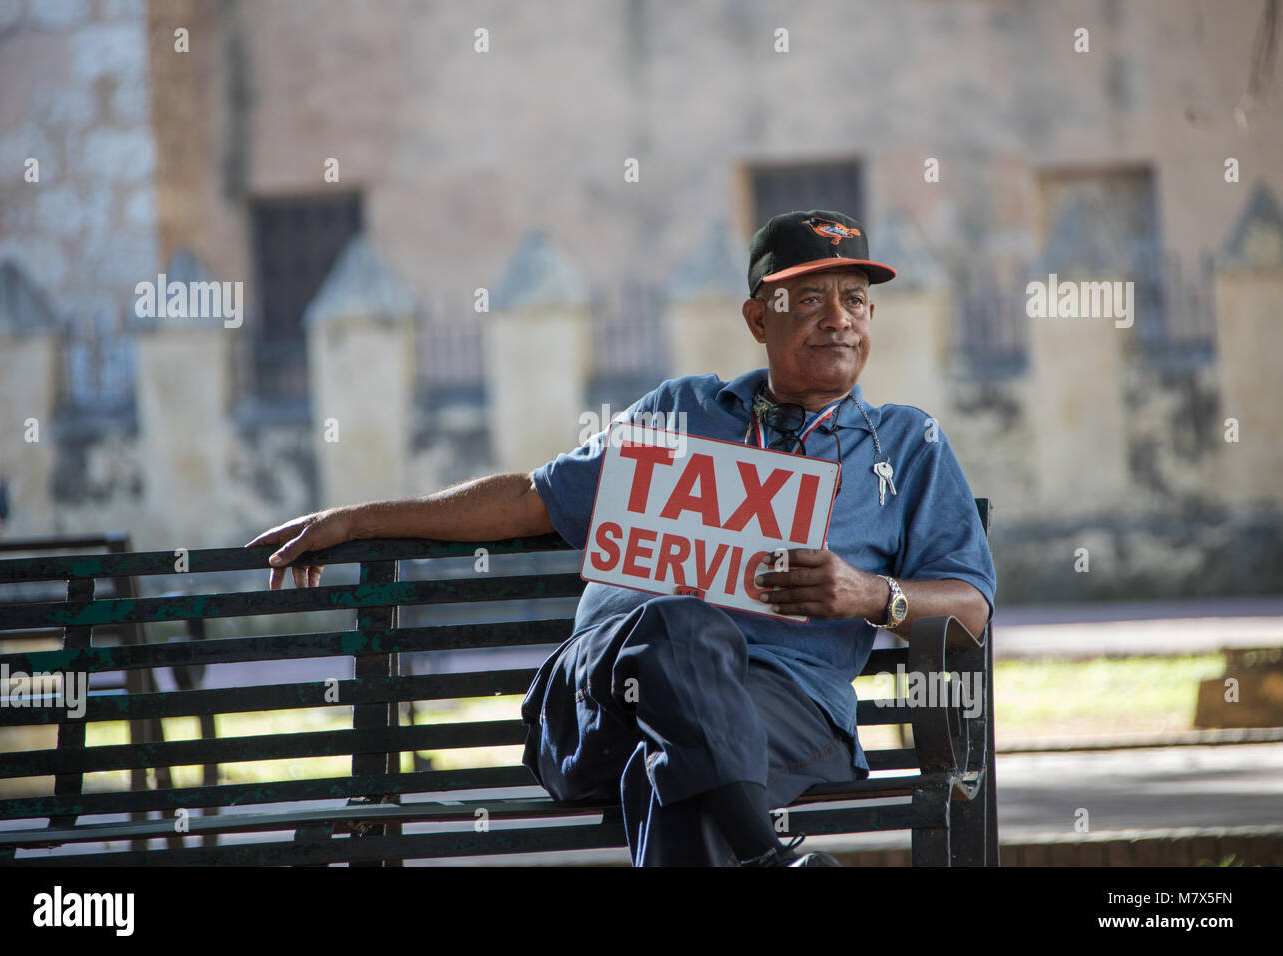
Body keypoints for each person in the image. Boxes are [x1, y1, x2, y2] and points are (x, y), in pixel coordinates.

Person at [246, 209, 996, 867]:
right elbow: (528, 499)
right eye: (807, 299)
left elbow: (970, 606)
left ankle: (758, 848)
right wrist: (359, 519)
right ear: (756, 319)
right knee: (678, 625)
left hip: (782, 711)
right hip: (598, 706)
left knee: (670, 775)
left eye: (856, 301)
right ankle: (765, 856)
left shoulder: (908, 442)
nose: (839, 318)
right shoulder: (682, 412)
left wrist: (870, 594)